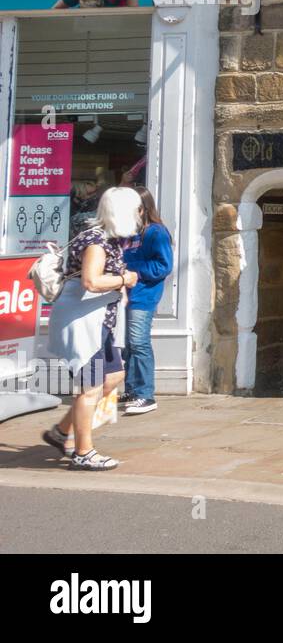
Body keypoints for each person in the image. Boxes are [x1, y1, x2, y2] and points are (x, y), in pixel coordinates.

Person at [42, 186, 142, 470]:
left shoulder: (107, 239)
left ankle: (61, 432)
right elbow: (91, 282)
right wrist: (125, 278)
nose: (139, 214)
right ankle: (83, 453)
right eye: (136, 209)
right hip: (84, 324)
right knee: (91, 387)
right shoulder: (97, 242)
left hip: (100, 323)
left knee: (113, 377)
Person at [120, 187, 174, 415]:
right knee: (129, 345)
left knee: (139, 342)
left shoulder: (156, 232)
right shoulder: (128, 233)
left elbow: (164, 266)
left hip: (144, 295)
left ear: (142, 208)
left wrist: (131, 269)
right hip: (125, 296)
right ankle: (132, 390)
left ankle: (145, 394)